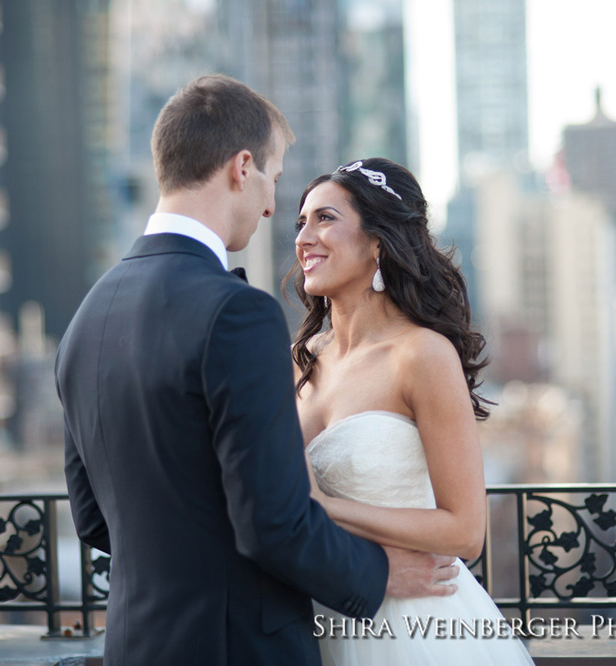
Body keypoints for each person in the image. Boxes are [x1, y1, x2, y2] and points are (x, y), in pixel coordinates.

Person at [55, 77, 460, 666]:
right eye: (272, 178)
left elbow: (94, 519)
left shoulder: (84, 321)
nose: (273, 206)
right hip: (239, 647)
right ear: (242, 168)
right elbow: (274, 523)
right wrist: (377, 573)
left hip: (136, 646)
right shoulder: (235, 312)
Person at [290, 157, 536, 665]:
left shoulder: (421, 355)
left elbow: (465, 531)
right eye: (301, 221)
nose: (304, 237)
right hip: (323, 619)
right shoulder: (303, 361)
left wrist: (322, 508)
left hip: (417, 627)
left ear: (377, 243)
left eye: (325, 218)